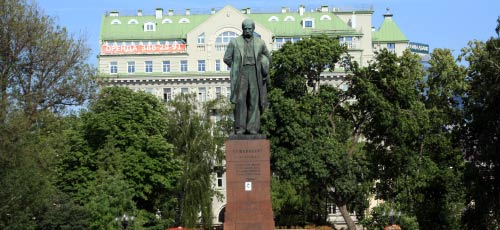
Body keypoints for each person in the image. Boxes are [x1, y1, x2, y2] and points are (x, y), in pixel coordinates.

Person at [224, 19, 271, 135]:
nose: (247, 30)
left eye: (250, 28)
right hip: (241, 72)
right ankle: (240, 128)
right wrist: (235, 66)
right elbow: (227, 58)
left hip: (255, 72)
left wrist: (264, 65)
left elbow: (268, 57)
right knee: (241, 100)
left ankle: (253, 128)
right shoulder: (234, 42)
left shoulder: (260, 42)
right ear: (242, 29)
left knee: (254, 100)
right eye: (245, 28)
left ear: (253, 29)